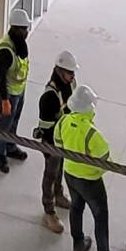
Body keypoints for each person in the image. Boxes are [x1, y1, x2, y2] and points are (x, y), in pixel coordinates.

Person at [56, 83, 125, 251]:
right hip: (90, 182)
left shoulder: (63, 122)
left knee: (76, 208)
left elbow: (58, 144)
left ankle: (78, 244)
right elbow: (105, 162)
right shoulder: (93, 135)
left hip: (69, 174)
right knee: (100, 217)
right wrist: (91, 171)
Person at [32, 51, 79, 234]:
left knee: (60, 170)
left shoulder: (71, 83)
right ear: (60, 71)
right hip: (52, 142)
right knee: (51, 173)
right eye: (70, 73)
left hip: (64, 139)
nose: (73, 76)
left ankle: (59, 194)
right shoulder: (50, 96)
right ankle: (49, 211)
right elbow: (46, 127)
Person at [0, 10, 32, 173]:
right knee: (3, 123)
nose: (27, 32)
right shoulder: (6, 50)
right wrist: (5, 100)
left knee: (13, 121)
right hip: (8, 94)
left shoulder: (19, 44)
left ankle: (10, 146)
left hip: (18, 90)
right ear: (17, 29)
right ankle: (0, 154)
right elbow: (0, 77)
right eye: (25, 29)